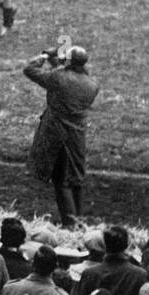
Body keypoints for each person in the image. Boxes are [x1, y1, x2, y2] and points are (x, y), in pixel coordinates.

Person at [25, 43, 99, 228]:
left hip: (56, 134)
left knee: (61, 180)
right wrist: (59, 61)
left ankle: (70, 224)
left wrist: (43, 55)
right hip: (77, 136)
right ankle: (78, 221)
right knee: (75, 179)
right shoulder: (92, 85)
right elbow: (68, 75)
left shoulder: (59, 78)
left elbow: (30, 70)